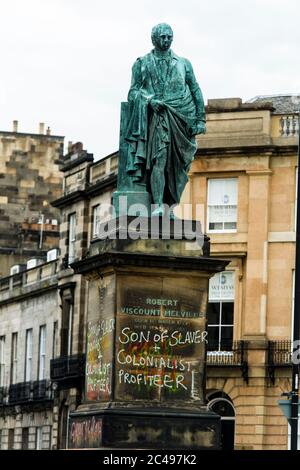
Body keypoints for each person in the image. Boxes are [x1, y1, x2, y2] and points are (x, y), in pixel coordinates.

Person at [125, 23, 206, 217]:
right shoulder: (142, 63)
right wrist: (149, 101)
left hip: (180, 118)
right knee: (158, 160)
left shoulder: (183, 63)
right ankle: (158, 205)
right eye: (162, 37)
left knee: (178, 166)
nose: (166, 40)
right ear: (154, 39)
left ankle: (170, 207)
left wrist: (200, 119)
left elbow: (195, 89)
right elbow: (133, 92)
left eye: (169, 37)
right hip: (158, 118)